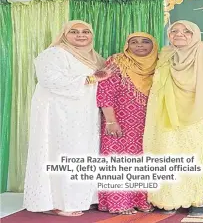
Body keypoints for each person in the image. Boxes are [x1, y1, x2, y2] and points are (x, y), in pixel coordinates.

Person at [143, 20, 203, 215]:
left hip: (199, 119)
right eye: (174, 31)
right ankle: (167, 201)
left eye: (186, 31)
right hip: (165, 117)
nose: (179, 34)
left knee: (198, 159)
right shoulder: (166, 56)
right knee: (166, 156)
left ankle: (197, 201)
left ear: (195, 35)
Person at [23, 20, 112, 217]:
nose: (81, 35)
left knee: (83, 152)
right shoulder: (54, 53)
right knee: (60, 152)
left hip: (84, 114)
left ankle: (82, 198)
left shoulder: (95, 57)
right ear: (64, 34)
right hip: (57, 114)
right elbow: (50, 80)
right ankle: (56, 203)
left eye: (86, 31)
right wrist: (90, 79)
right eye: (74, 31)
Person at [97, 32, 158, 215]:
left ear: (153, 45)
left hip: (148, 122)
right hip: (119, 120)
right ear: (127, 45)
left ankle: (140, 200)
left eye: (145, 42)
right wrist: (110, 120)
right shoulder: (117, 62)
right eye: (134, 42)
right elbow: (105, 90)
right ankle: (119, 202)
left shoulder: (158, 64)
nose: (140, 45)